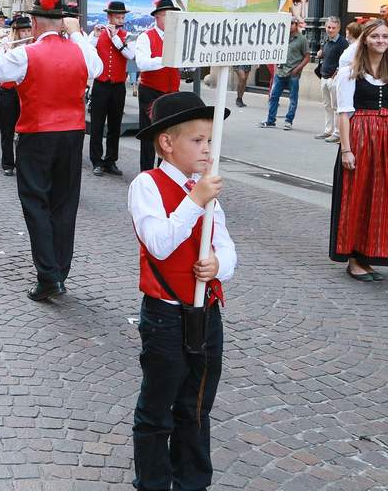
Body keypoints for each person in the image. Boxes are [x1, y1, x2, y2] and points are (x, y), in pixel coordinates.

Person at [128, 91, 236, 491]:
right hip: (165, 315)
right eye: (198, 141)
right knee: (157, 408)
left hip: (206, 313)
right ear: (167, 143)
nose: (207, 149)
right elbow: (158, 241)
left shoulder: (202, 186)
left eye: (210, 140)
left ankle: (192, 482)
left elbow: (226, 244)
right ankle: (153, 482)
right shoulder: (148, 185)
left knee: (196, 406)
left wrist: (219, 264)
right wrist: (195, 200)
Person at [0, 0, 103, 300]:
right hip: (73, 134)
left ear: (34, 22)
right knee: (64, 204)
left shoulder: (25, 54)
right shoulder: (80, 51)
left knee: (36, 204)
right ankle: (60, 270)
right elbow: (96, 68)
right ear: (62, 23)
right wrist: (78, 36)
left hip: (37, 134)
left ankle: (48, 276)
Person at [331, 18, 388, 281]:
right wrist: (346, 150)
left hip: (385, 139)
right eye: (375, 36)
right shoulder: (351, 71)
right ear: (365, 39)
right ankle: (353, 259)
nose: (381, 41)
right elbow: (343, 114)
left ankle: (369, 255)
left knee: (381, 198)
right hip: (360, 136)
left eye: (385, 37)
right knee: (357, 197)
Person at [88, 0, 135, 176]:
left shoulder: (126, 35)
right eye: (117, 16)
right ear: (109, 16)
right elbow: (86, 50)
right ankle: (96, 160)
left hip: (118, 87)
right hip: (101, 85)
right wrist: (94, 35)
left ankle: (111, 160)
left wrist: (116, 37)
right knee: (97, 125)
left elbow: (131, 55)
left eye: (122, 17)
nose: (120, 19)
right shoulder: (98, 33)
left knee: (115, 126)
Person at [135, 0, 182, 170]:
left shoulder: (177, 37)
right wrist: (166, 59)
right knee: (149, 135)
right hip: (151, 91)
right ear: (157, 17)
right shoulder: (145, 37)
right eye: (168, 16)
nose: (171, 20)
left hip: (172, 93)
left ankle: (165, 172)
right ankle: (146, 172)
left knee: (169, 134)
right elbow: (142, 63)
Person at [0, 15, 31, 176]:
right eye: (23, 31)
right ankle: (8, 163)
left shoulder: (34, 47)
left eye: (29, 30)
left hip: (26, 93)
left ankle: (23, 163)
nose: (26, 34)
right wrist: (5, 50)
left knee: (25, 131)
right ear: (17, 32)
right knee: (8, 130)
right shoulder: (8, 46)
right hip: (8, 92)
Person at [259, 18, 309, 130]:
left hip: (293, 73)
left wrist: (298, 69)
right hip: (280, 72)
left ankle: (288, 121)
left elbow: (307, 57)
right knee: (273, 96)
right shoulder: (282, 37)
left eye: (292, 23)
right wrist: (276, 66)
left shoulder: (302, 39)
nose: (290, 25)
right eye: (288, 23)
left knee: (293, 98)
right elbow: (276, 51)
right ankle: (270, 120)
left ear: (296, 25)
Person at [313, 16, 348, 143]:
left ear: (338, 28)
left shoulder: (343, 43)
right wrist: (320, 54)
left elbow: (345, 62)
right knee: (327, 105)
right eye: (328, 27)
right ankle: (328, 130)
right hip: (324, 76)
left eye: (333, 28)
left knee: (336, 107)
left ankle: (337, 133)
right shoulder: (327, 40)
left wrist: (335, 76)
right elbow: (326, 55)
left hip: (334, 79)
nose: (330, 30)